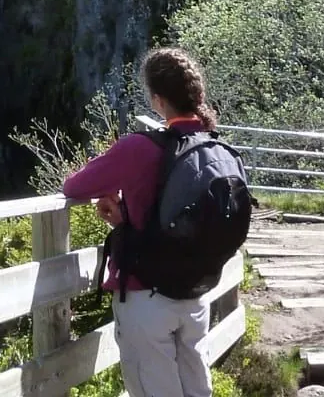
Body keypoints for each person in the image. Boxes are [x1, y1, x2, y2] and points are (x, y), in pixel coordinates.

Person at [62, 49, 221, 397]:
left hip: (145, 296)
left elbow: (74, 186)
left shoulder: (139, 147)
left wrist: (123, 216)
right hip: (195, 293)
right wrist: (126, 221)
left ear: (157, 100)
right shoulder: (212, 147)